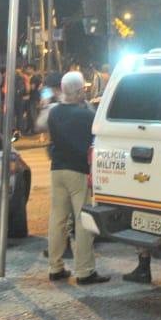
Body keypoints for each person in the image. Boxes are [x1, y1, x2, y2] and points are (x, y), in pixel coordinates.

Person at [46, 71, 109, 285]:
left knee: (58, 218)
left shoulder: (54, 113)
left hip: (57, 169)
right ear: (80, 91)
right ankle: (84, 271)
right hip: (79, 171)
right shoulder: (86, 115)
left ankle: (55, 267)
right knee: (83, 220)